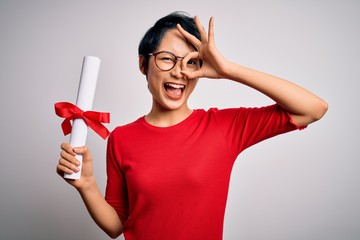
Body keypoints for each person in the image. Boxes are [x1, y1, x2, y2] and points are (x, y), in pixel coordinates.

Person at [57, 11, 328, 240]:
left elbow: (313, 109)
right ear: (143, 64)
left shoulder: (222, 127)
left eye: (192, 62)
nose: (179, 71)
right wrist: (88, 185)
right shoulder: (120, 138)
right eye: (166, 58)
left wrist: (228, 70)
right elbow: (117, 226)